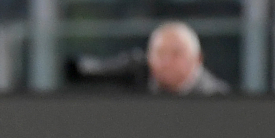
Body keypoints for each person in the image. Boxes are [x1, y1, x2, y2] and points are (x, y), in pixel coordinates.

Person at [65, 21, 230, 96]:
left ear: (198, 59)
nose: (166, 62)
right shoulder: (135, 74)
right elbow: (90, 70)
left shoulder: (216, 97)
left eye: (176, 54)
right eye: (160, 54)